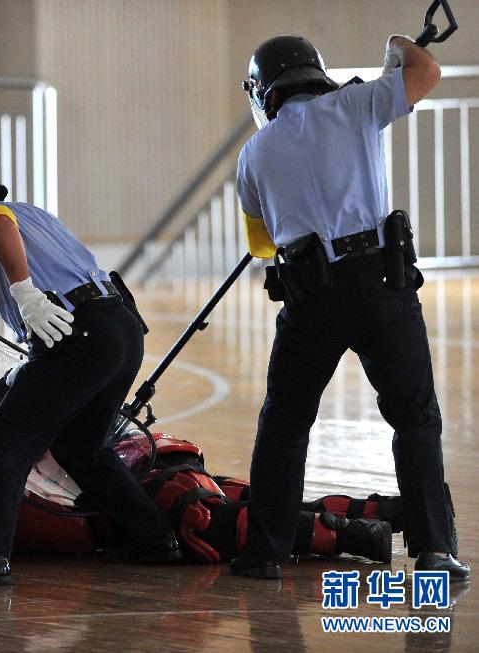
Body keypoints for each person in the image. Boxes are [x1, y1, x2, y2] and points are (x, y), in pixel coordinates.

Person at [231, 34, 468, 580]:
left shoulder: (254, 153)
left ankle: (263, 553)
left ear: (264, 90)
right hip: (380, 280)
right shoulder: (356, 105)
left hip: (308, 293)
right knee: (413, 415)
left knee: (285, 420)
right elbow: (426, 70)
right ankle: (433, 549)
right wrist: (395, 51)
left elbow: (261, 245)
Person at [0, 169, 181, 584]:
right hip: (118, 328)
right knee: (80, 447)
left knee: (1, 443)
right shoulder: (29, 211)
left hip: (79, 334)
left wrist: (25, 293)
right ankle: (155, 539)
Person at [0, 429, 402, 568]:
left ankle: (357, 531)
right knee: (240, 504)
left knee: (218, 517)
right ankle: (384, 516)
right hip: (145, 463)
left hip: (135, 489)